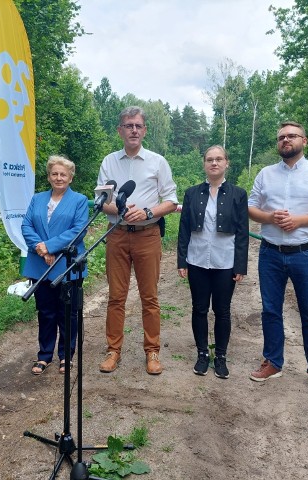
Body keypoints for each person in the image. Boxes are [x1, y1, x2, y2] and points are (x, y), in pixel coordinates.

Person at [247, 121, 308, 396]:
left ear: (305, 140)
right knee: (270, 310)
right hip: (270, 252)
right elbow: (251, 208)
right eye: (281, 137)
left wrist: (299, 221)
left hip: (306, 253)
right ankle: (273, 362)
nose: (286, 140)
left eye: (292, 136)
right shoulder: (265, 174)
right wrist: (269, 217)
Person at [96, 106, 178, 375]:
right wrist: (119, 209)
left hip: (148, 235)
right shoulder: (109, 162)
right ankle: (113, 350)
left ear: (144, 131)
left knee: (149, 297)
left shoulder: (158, 162)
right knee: (116, 297)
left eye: (138, 126)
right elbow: (102, 202)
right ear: (120, 130)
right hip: (117, 235)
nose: (133, 130)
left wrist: (147, 212)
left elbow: (171, 201)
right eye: (128, 125)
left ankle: (152, 352)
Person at [177, 146, 249, 379]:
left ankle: (220, 357)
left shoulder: (238, 194)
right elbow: (184, 228)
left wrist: (240, 265)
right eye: (210, 159)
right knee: (199, 309)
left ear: (227, 162)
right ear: (204, 164)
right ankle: (201, 355)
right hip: (197, 260)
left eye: (219, 159)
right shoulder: (192, 193)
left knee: (222, 311)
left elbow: (242, 232)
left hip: (225, 261)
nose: (214, 163)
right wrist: (182, 260)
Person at [22, 155, 89, 375]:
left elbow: (78, 231)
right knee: (46, 311)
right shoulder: (37, 199)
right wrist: (40, 249)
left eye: (63, 174)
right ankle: (44, 356)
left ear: (71, 177)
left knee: (67, 313)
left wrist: (50, 247)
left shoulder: (79, 200)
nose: (59, 178)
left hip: (66, 264)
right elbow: (26, 225)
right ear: (49, 176)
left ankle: (66, 356)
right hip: (40, 264)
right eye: (54, 174)